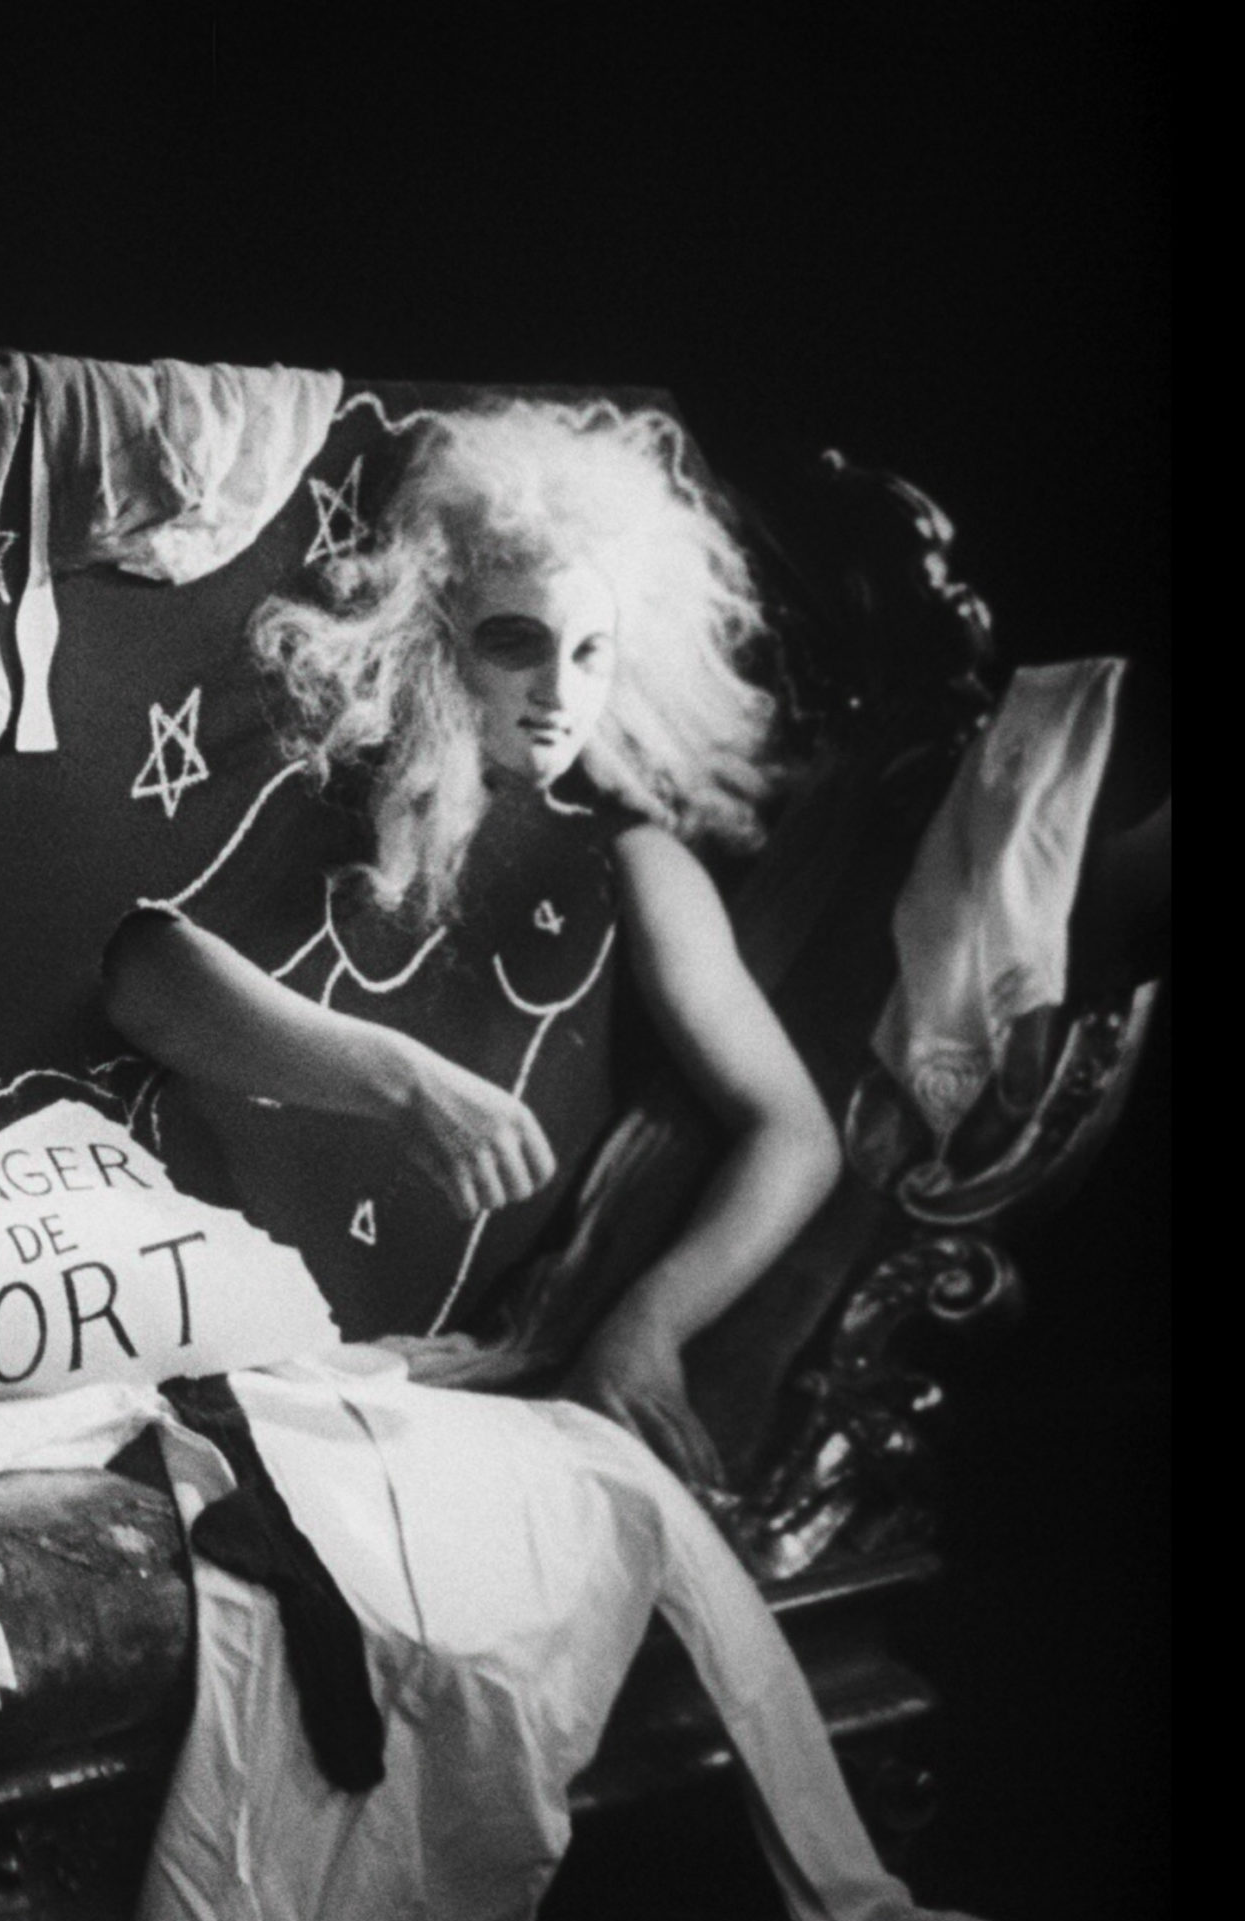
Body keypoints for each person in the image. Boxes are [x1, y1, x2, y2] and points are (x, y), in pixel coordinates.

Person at [103, 397, 842, 1487]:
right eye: (516, 643)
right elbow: (145, 977)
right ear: (431, 631)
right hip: (205, 1336)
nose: (558, 693)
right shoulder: (321, 794)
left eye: (591, 653)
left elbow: (796, 1135)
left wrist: (647, 1325)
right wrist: (401, 1082)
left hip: (440, 1390)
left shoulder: (631, 866)